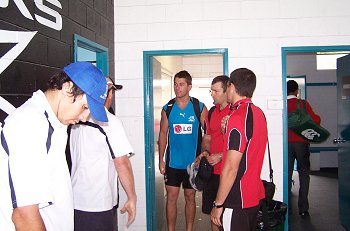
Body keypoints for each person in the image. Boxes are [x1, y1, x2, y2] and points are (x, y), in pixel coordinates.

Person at [0, 61, 108, 231]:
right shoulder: (30, 124)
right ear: (68, 89)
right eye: (85, 107)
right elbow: (24, 215)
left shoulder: (56, 124)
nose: (84, 118)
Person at [69, 77, 137, 231]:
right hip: (99, 204)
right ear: (109, 94)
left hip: (74, 201)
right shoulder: (109, 121)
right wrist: (132, 197)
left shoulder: (75, 118)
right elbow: (122, 163)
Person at [211, 68, 267, 231]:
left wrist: (218, 203)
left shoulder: (237, 118)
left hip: (237, 198)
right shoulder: (258, 113)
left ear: (231, 86)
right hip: (254, 196)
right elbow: (249, 149)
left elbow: (231, 168)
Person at [158, 70, 208, 231]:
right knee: (171, 198)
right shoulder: (168, 108)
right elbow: (163, 133)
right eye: (175, 84)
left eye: (181, 84)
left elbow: (208, 133)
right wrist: (161, 159)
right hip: (173, 163)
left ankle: (189, 229)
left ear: (189, 86)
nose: (177, 88)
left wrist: (205, 154)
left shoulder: (198, 107)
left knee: (190, 197)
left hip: (192, 164)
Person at [200, 75, 231, 231]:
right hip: (212, 173)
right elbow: (208, 137)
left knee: (227, 216)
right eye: (211, 90)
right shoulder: (211, 112)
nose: (212, 93)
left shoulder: (235, 113)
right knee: (213, 214)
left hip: (228, 173)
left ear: (227, 91)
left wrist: (221, 156)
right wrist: (205, 151)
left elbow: (243, 148)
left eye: (215, 91)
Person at [287, 79, 320, 217]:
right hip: (302, 143)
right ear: (296, 91)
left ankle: (287, 207)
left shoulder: (283, 104)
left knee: (287, 173)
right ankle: (303, 208)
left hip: (286, 143)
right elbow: (316, 120)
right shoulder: (303, 104)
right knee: (304, 174)